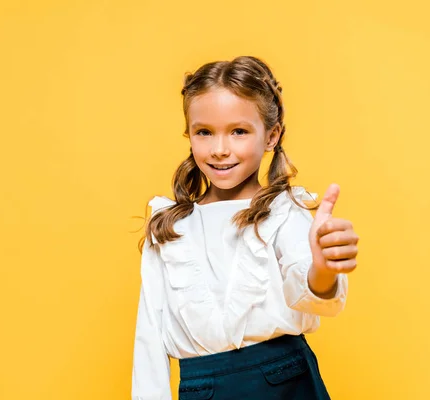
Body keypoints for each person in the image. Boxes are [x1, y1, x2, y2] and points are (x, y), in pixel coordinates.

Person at [131, 56, 359, 400]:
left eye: (239, 131)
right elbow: (149, 339)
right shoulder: (168, 228)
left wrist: (323, 269)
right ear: (189, 134)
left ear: (271, 135)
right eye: (204, 132)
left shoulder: (284, 211)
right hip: (202, 389)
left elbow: (311, 294)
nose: (220, 150)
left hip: (287, 383)